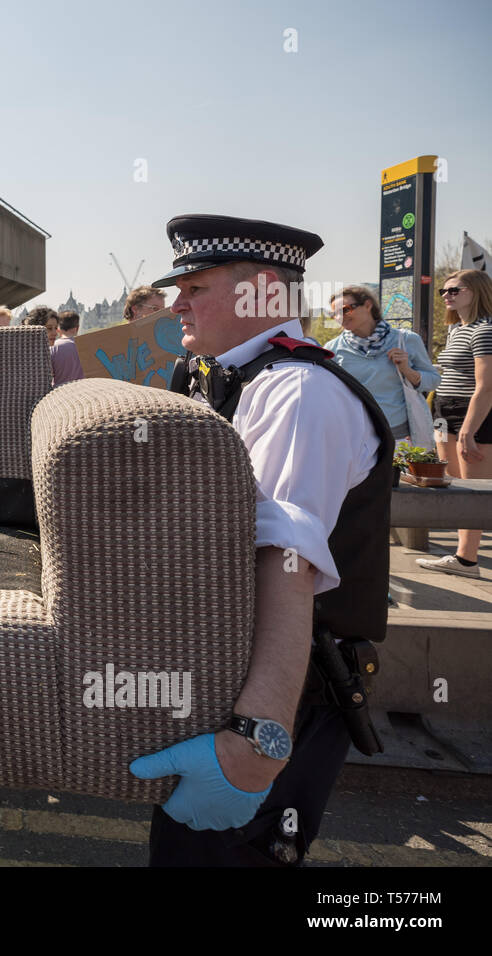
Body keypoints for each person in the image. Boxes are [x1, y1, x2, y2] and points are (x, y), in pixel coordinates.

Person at [130, 215, 392, 867]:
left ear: (264, 292)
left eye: (195, 284)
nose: (175, 302)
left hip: (280, 692)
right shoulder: (221, 376)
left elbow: (286, 559)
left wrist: (255, 743)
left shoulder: (297, 392)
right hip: (232, 676)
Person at [415, 269, 492, 578]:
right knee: (454, 482)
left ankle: (467, 559)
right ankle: (462, 556)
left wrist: (469, 431)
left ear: (476, 291)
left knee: (473, 490)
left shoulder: (485, 330)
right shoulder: (458, 329)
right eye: (443, 291)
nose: (446, 295)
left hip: (472, 415)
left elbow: (486, 387)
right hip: (445, 412)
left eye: (454, 290)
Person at [325, 286, 440, 443]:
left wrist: (407, 370)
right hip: (354, 437)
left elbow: (433, 380)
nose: (339, 317)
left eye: (345, 310)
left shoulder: (406, 340)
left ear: (367, 305)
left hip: (399, 437)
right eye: (334, 314)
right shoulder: (332, 349)